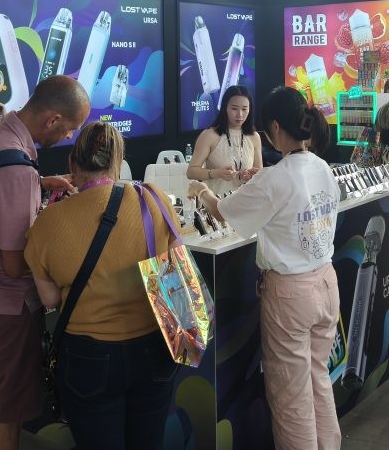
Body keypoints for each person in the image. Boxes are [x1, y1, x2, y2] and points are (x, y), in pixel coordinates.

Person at [188, 87, 340, 450]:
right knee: (318, 377)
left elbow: (223, 212)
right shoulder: (321, 167)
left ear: (273, 127)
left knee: (290, 393)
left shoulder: (276, 178)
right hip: (325, 282)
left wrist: (201, 191)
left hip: (290, 294)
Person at [0, 75, 89, 450]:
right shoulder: (18, 171)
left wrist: (40, 183)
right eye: (70, 128)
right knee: (8, 416)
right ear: (52, 119)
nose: (68, 137)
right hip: (5, 307)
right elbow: (14, 265)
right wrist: (61, 264)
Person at [24, 122, 180, 450]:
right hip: (155, 347)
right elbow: (173, 269)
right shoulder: (154, 199)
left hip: (88, 357)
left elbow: (49, 299)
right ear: (118, 161)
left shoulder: (46, 223)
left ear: (72, 163)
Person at [186, 86, 264, 195]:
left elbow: (259, 173)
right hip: (216, 201)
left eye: (244, 109)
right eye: (234, 109)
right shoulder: (209, 135)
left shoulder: (254, 137)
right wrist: (216, 173)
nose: (240, 114)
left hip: (246, 201)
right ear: (225, 108)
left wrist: (250, 174)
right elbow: (191, 172)